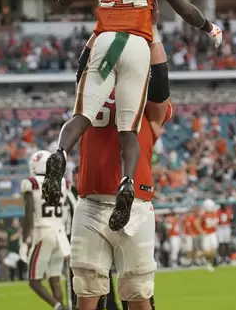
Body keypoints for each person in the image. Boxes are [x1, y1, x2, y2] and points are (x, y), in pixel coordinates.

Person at [43, 0, 223, 234]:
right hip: (139, 45)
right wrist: (208, 27)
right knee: (129, 128)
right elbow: (183, 8)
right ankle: (127, 182)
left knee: (82, 114)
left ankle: (59, 154)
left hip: (105, 41)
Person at [69, 33, 172, 309]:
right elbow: (160, 83)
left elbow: (81, 70)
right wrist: (147, 31)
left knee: (124, 295)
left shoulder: (89, 98)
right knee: (124, 294)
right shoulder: (142, 105)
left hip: (116, 204)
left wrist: (105, 27)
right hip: (114, 202)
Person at [19, 150, 70, 310]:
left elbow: (29, 215)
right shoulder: (64, 183)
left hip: (43, 231)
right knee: (54, 279)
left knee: (34, 281)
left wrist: (25, 241)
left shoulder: (31, 183)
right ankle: (61, 305)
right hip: (61, 234)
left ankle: (58, 307)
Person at [198, 199, 219, 271]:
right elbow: (197, 223)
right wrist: (202, 231)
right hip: (206, 235)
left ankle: (209, 262)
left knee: (214, 250)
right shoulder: (204, 215)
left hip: (213, 233)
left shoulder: (214, 213)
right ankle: (207, 263)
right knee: (207, 251)